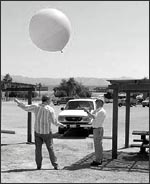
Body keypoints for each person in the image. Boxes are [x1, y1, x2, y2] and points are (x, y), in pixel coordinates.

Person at [14, 95, 66, 170]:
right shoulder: (50, 109)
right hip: (47, 132)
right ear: (47, 100)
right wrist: (61, 125)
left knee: (38, 149)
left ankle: (39, 165)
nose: (51, 101)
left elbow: (25, 107)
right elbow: (54, 122)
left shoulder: (36, 106)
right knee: (50, 149)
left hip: (38, 132)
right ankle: (55, 165)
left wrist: (18, 101)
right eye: (50, 100)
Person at [82, 98, 106, 166]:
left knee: (97, 145)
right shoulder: (98, 110)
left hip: (98, 129)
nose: (96, 103)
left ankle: (98, 160)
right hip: (97, 128)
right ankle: (99, 158)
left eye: (97, 102)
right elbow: (91, 117)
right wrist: (88, 111)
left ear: (101, 103)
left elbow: (93, 117)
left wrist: (87, 111)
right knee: (98, 145)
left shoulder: (101, 111)